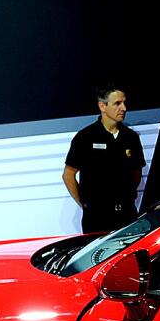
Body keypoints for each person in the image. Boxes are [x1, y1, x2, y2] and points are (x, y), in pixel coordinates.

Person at [62, 83, 145, 234]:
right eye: (117, 103)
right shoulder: (85, 137)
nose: (124, 108)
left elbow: (137, 171)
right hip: (97, 219)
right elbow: (68, 175)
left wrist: (127, 194)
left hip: (127, 215)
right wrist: (85, 204)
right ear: (102, 106)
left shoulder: (131, 137)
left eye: (124, 102)